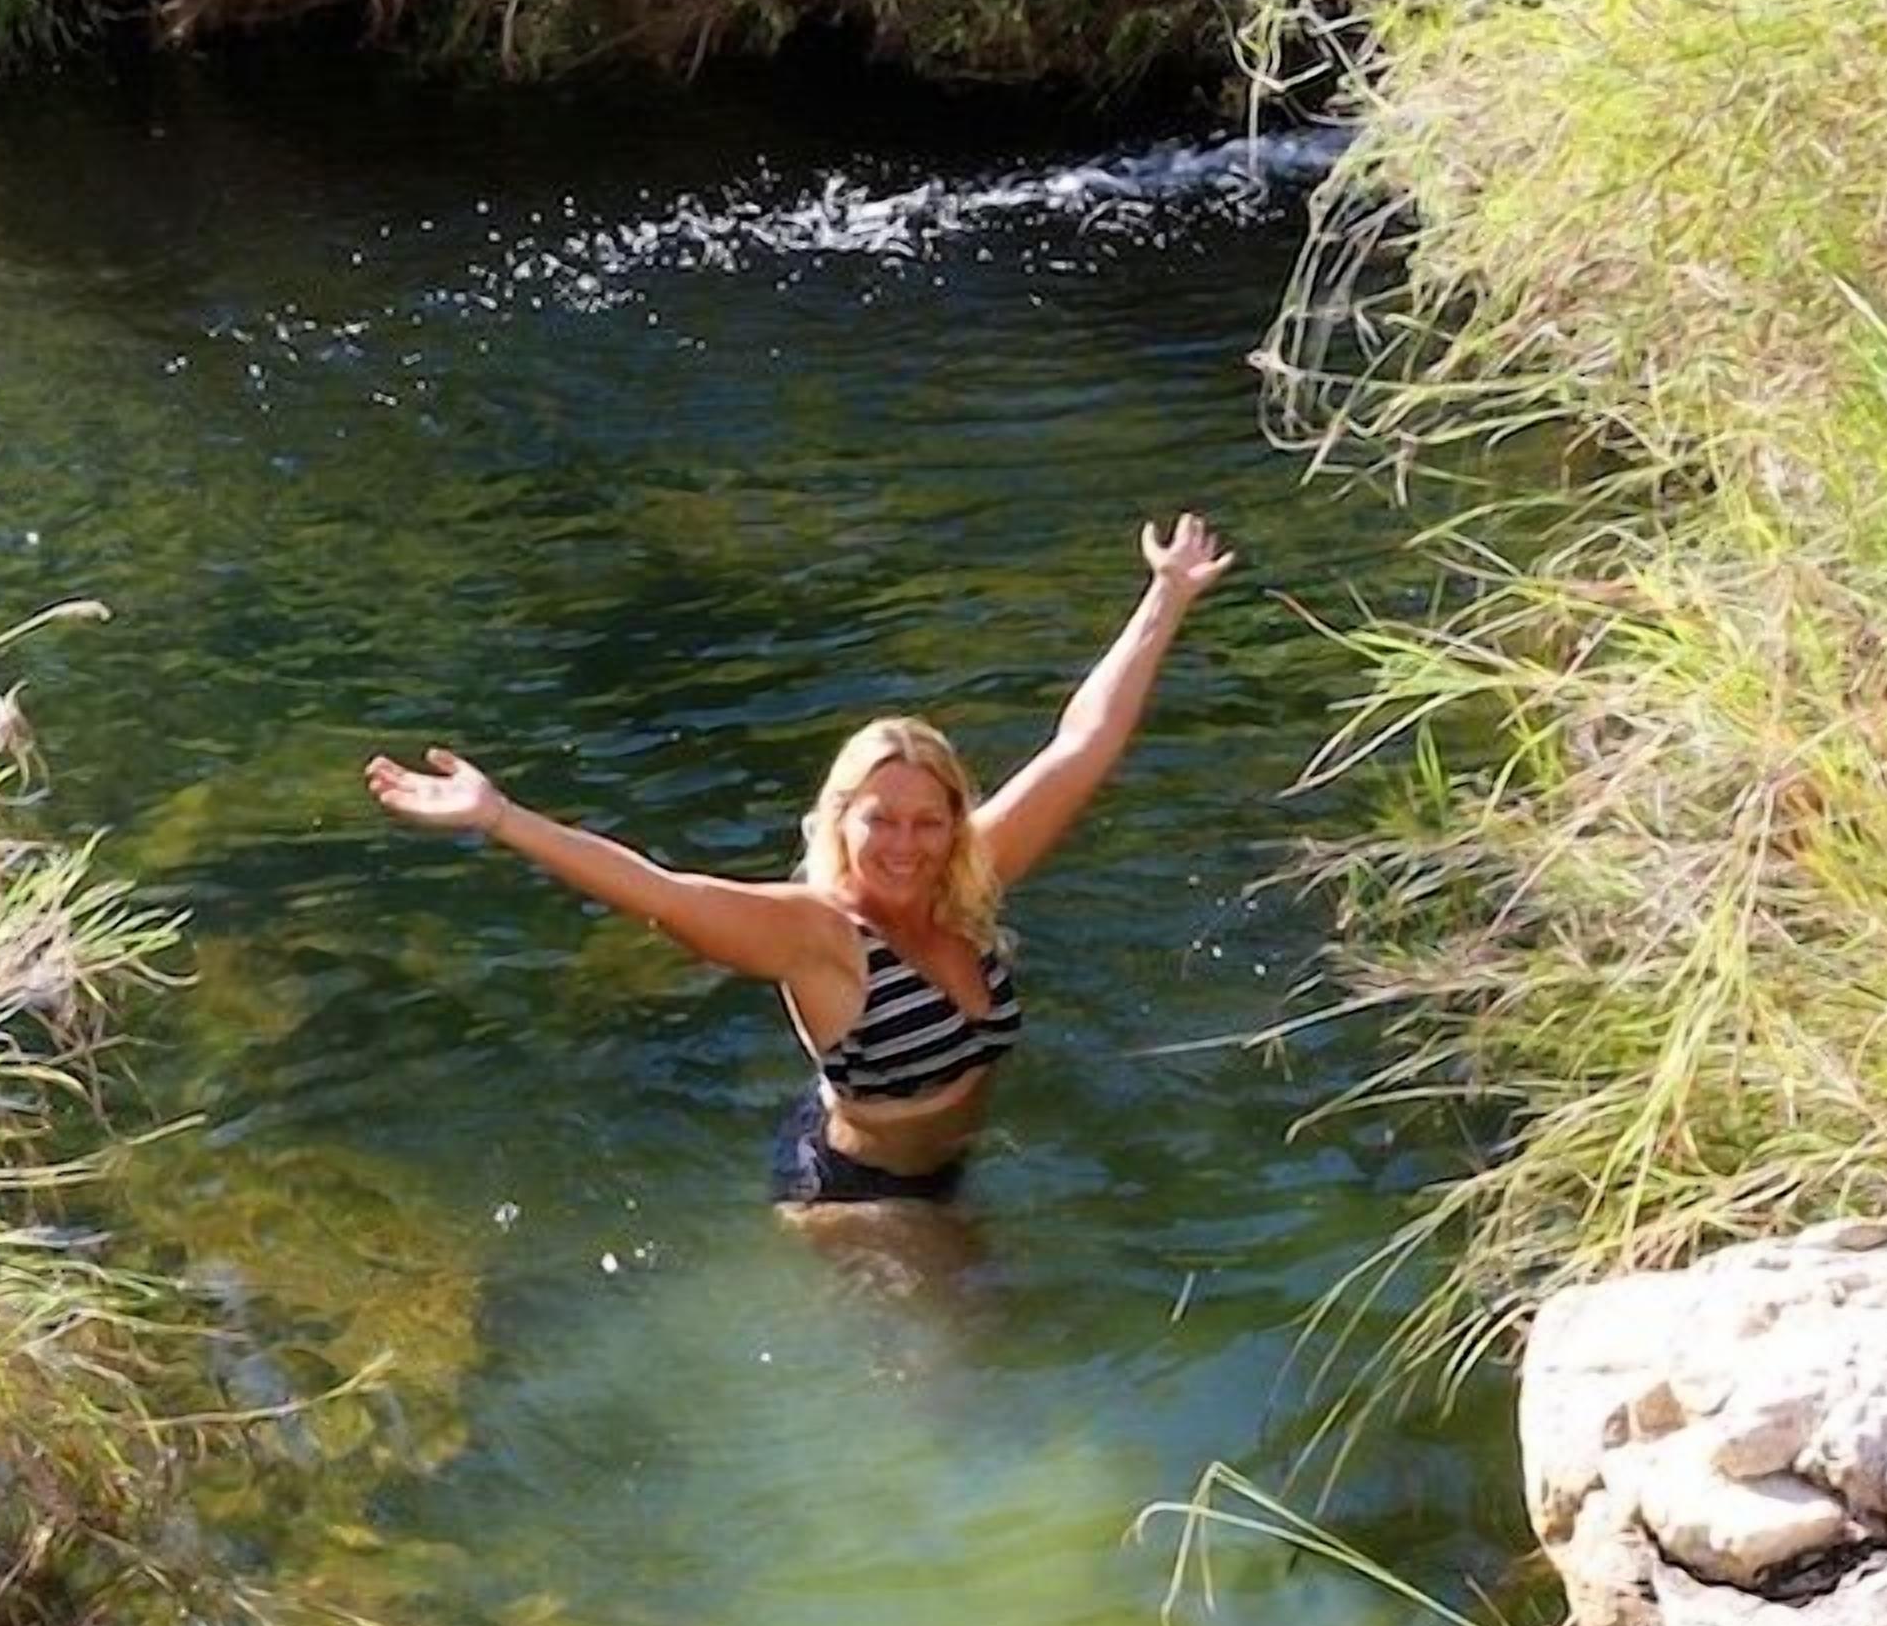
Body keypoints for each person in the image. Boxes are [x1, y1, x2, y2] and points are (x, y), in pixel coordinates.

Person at [363, 516, 1235, 1207]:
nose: (903, 844)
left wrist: (1164, 598)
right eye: (878, 820)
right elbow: (660, 895)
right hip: (860, 1193)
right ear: (838, 819)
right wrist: (503, 817)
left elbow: (1080, 744)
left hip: (945, 1165)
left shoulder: (969, 876)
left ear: (954, 823)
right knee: (958, 1386)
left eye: (926, 822)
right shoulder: (818, 934)